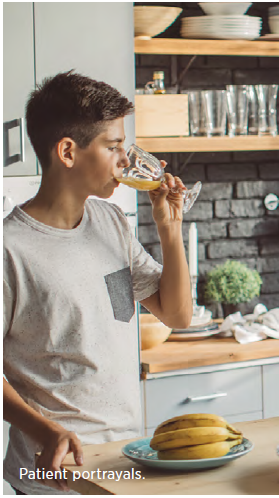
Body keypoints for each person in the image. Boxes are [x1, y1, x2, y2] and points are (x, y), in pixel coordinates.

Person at [3, 71, 193, 494]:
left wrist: (170, 228)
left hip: (123, 458)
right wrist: (47, 429)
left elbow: (177, 314)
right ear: (68, 152)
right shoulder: (8, 249)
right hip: (50, 472)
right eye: (113, 147)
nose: (125, 161)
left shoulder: (111, 222)